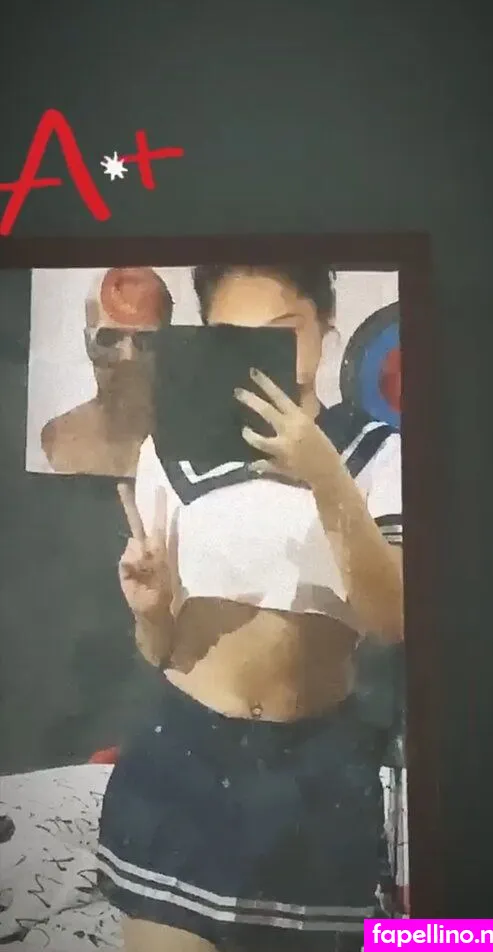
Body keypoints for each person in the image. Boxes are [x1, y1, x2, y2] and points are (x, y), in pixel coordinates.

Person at [97, 265, 404, 952]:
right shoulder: (171, 451)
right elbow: (157, 649)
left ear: (325, 329)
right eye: (236, 336)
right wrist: (150, 610)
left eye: (285, 331)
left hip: (317, 773)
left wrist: (324, 474)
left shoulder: (377, 455)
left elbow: (392, 621)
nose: (265, 353)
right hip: (183, 760)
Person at [40, 267, 173, 477]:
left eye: (145, 339)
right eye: (109, 338)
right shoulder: (56, 439)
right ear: (88, 343)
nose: (128, 356)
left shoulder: (195, 438)